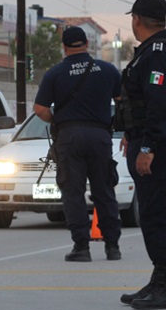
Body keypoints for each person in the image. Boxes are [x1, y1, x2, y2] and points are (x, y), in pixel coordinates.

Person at [114, 0, 166, 310]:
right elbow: (144, 105)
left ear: (137, 20)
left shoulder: (157, 54)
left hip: (162, 148)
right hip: (156, 143)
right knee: (152, 215)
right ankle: (159, 279)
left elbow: (159, 106)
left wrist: (147, 146)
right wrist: (132, 134)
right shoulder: (152, 52)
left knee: (158, 217)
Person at [33, 26, 122, 262]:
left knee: (73, 192)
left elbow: (40, 109)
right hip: (100, 136)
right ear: (87, 44)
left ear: (64, 46)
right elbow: (123, 100)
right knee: (104, 190)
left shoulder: (55, 73)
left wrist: (58, 121)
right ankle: (112, 246)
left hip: (69, 137)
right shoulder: (107, 70)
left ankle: (81, 247)